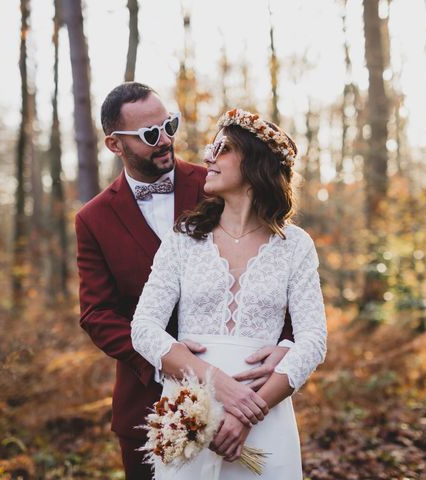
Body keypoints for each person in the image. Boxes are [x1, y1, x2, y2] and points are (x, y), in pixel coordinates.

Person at [75, 83, 295, 480]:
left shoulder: (219, 182)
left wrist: (287, 344)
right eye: (149, 135)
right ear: (114, 144)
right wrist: (167, 359)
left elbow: (276, 266)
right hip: (149, 404)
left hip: (245, 390)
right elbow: (96, 313)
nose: (165, 141)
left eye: (169, 125)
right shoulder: (93, 219)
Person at [131, 108, 328, 479]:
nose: (208, 156)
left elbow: (313, 340)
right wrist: (216, 383)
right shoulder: (184, 238)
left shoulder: (295, 246)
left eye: (222, 148)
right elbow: (143, 327)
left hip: (265, 417)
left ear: (254, 163)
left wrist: (247, 412)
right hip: (189, 413)